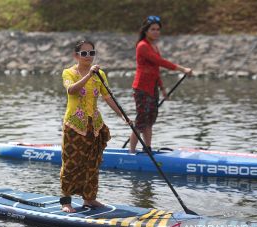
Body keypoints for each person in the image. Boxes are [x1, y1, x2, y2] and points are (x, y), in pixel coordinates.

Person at [60, 40, 123, 213]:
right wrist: (89, 75)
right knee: (72, 162)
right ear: (76, 56)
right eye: (84, 53)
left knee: (93, 162)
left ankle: (89, 199)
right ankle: (66, 201)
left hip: (94, 125)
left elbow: (108, 97)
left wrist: (123, 115)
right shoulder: (69, 72)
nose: (88, 57)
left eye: (91, 53)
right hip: (74, 124)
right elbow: (71, 90)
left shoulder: (100, 74)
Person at [129, 15, 193, 153]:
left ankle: (147, 148)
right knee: (141, 121)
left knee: (150, 120)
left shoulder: (154, 46)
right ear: (146, 31)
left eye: (158, 29)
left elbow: (155, 70)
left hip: (152, 88)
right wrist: (183, 69)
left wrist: (163, 89)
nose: (156, 32)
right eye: (153, 29)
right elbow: (161, 62)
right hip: (141, 88)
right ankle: (131, 152)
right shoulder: (142, 46)